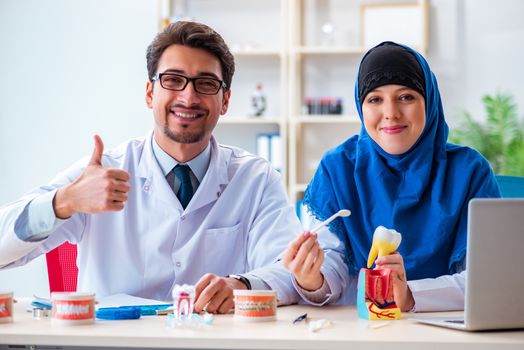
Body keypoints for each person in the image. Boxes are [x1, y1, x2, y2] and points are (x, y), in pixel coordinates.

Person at [0, 21, 329, 313]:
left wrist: (242, 285)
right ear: (149, 93)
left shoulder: (255, 178)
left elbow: (290, 272)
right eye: (173, 80)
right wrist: (65, 202)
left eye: (205, 84)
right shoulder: (102, 172)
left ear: (225, 101)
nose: (188, 97)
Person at [283, 41, 501, 311]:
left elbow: (487, 279)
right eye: (375, 99)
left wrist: (409, 294)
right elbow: (333, 266)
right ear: (361, 107)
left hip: (449, 330)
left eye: (406, 97)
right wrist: (311, 278)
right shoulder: (337, 168)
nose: (391, 113)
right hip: (362, 331)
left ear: (429, 101)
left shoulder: (469, 171)